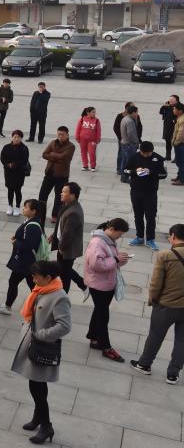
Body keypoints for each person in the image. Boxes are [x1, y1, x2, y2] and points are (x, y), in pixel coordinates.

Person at [11, 260, 71, 445]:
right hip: (33, 345)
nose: (33, 279)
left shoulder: (59, 297)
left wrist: (41, 334)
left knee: (37, 388)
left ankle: (46, 425)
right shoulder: (41, 290)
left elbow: (65, 326)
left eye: (36, 276)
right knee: (35, 385)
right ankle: (38, 418)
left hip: (42, 347)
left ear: (48, 277)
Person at [131, 223, 184, 384]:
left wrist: (153, 299)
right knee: (181, 341)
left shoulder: (165, 255)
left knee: (155, 335)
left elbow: (155, 283)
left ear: (173, 236)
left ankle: (145, 364)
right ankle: (173, 374)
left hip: (165, 306)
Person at [83, 218, 131, 362]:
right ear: (112, 229)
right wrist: (116, 259)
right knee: (103, 315)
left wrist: (119, 259)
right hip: (99, 285)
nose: (120, 237)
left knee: (99, 311)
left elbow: (109, 260)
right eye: (120, 234)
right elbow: (97, 265)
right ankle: (106, 347)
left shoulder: (108, 240)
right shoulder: (98, 242)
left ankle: (93, 337)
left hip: (106, 283)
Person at [0, 199, 47, 315]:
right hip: (28, 261)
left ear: (33, 211)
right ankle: (42, 306)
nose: (23, 209)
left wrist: (16, 242)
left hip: (25, 262)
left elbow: (28, 245)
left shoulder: (32, 226)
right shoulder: (31, 222)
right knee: (32, 285)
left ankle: (8, 306)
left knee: (15, 282)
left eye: (26, 207)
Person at [125, 140, 168, 250]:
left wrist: (150, 172)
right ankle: (139, 237)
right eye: (143, 153)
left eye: (148, 153)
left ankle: (150, 239)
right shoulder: (134, 157)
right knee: (138, 215)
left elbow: (163, 174)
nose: (145, 155)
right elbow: (125, 170)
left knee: (150, 217)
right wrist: (135, 171)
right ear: (140, 151)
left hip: (150, 193)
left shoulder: (158, 158)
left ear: (152, 151)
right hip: (136, 191)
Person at [53, 182, 86, 293]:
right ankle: (83, 284)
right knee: (64, 270)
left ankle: (63, 296)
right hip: (64, 247)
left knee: (65, 275)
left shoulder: (73, 213)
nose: (61, 194)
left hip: (67, 249)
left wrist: (61, 247)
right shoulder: (69, 205)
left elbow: (68, 234)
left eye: (64, 192)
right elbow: (63, 225)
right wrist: (54, 235)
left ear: (72, 195)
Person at [38, 126, 75, 219]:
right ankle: (40, 214)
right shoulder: (53, 142)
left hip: (62, 175)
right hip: (49, 173)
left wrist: (51, 154)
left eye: (62, 135)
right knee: (42, 195)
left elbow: (63, 157)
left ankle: (55, 215)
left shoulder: (71, 146)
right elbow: (44, 154)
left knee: (59, 197)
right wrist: (56, 157)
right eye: (58, 134)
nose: (60, 136)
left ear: (67, 135)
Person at [0, 130, 31, 216]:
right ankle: (10, 206)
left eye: (18, 137)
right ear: (12, 137)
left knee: (18, 190)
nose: (16, 139)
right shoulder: (6, 147)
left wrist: (14, 164)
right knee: (10, 190)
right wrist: (7, 165)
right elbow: (2, 158)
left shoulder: (24, 148)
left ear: (21, 138)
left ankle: (17, 207)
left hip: (19, 172)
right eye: (15, 137)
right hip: (8, 172)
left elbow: (24, 160)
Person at [118, 104, 141, 181]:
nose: (137, 114)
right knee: (129, 162)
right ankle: (125, 177)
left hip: (124, 143)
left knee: (124, 160)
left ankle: (123, 176)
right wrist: (136, 142)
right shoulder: (130, 121)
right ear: (133, 112)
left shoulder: (125, 118)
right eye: (136, 112)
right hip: (129, 144)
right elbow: (131, 133)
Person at [74, 107, 101, 172]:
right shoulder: (82, 119)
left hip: (92, 140)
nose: (94, 113)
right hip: (82, 139)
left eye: (94, 112)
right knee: (83, 152)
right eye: (93, 112)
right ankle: (85, 165)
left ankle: (93, 166)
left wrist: (98, 138)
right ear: (88, 113)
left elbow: (98, 130)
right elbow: (78, 129)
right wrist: (77, 137)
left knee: (92, 153)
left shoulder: (97, 120)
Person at [172, 103, 184, 183]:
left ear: (180, 111)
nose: (173, 110)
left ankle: (182, 179)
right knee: (179, 162)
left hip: (180, 144)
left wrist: (176, 142)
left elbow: (181, 133)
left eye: (174, 109)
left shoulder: (182, 120)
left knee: (181, 162)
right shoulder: (180, 117)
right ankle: (179, 176)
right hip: (179, 143)